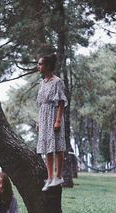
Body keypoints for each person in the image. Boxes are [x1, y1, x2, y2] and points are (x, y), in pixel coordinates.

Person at [36, 54, 68, 191]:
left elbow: (61, 102)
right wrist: (39, 121)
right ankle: (49, 178)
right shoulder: (43, 82)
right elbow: (41, 103)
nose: (38, 66)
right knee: (47, 148)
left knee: (57, 146)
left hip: (54, 114)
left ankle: (58, 176)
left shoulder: (57, 81)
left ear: (48, 66)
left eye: (40, 64)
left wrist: (58, 120)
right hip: (44, 115)